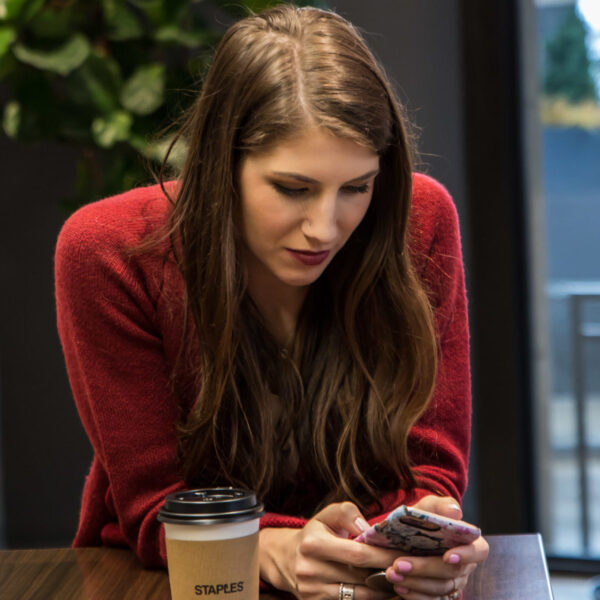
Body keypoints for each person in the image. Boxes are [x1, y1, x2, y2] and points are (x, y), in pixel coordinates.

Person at [55, 4, 488, 599]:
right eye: (293, 188)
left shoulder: (417, 221)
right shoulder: (110, 251)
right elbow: (155, 503)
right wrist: (273, 544)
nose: (325, 228)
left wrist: (427, 532)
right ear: (220, 164)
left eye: (356, 188)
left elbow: (428, 467)